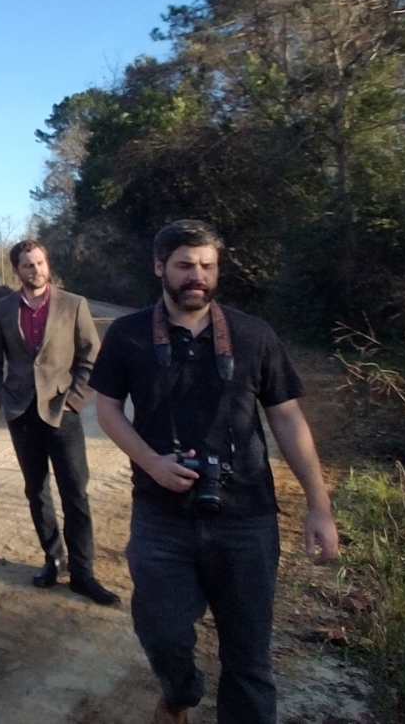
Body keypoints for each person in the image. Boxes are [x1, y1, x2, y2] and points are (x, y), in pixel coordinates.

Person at [91, 219, 338, 724]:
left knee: (248, 658)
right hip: (161, 516)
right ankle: (179, 694)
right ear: (160, 266)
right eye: (184, 265)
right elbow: (108, 409)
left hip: (246, 517)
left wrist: (319, 505)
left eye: (207, 265)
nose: (196, 276)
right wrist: (153, 463)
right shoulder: (129, 334)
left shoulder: (253, 335)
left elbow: (287, 418)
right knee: (163, 637)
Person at [0, 239, 120, 605]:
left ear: (48, 264)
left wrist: (74, 400)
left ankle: (83, 572)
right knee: (36, 490)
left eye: (40, 263)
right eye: (28, 265)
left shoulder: (74, 305)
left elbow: (92, 356)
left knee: (75, 491)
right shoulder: (2, 308)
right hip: (21, 412)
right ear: (17, 270)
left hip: (63, 413)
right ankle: (52, 558)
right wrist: (2, 397)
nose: (36, 270)